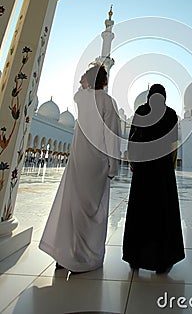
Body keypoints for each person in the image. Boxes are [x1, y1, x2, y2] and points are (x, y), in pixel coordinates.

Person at [39, 65, 121, 272]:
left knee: (72, 206)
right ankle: (83, 258)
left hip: (78, 160)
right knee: (92, 211)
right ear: (104, 81)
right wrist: (114, 166)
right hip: (97, 162)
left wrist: (86, 81)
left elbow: (80, 89)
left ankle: (63, 255)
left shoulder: (80, 98)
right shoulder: (108, 102)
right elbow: (111, 137)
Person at [122, 84, 185, 273]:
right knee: (163, 211)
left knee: (139, 211)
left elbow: (132, 139)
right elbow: (173, 141)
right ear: (164, 97)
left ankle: (135, 256)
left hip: (143, 169)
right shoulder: (171, 114)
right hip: (162, 170)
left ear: (149, 96)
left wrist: (132, 162)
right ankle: (164, 259)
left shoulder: (141, 111)